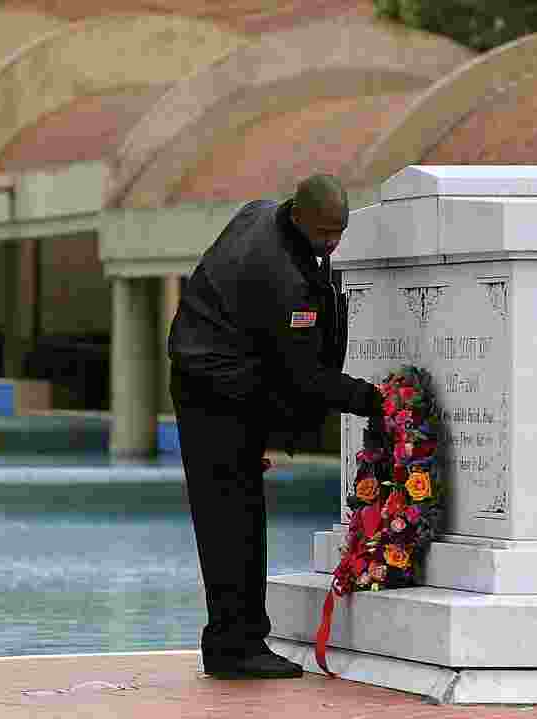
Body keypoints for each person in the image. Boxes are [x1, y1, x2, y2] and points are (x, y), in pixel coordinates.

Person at [168, 174, 384, 680]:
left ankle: (236, 639)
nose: (333, 244)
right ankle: (234, 646)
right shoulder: (280, 277)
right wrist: (373, 400)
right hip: (213, 392)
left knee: (237, 515)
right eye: (326, 236)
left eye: (339, 233)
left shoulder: (263, 211)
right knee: (232, 523)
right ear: (300, 220)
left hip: (217, 379)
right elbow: (304, 376)